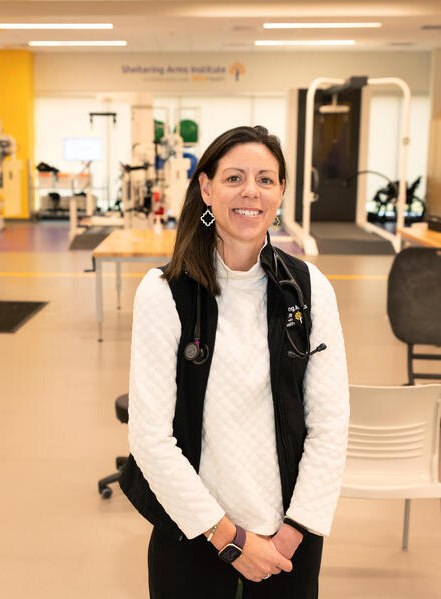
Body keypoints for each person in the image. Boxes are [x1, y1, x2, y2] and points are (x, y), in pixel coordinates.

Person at [120, 125, 349, 599]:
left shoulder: (309, 289)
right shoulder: (166, 293)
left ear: (282, 192)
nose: (251, 191)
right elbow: (150, 438)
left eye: (266, 179)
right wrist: (228, 539)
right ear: (206, 188)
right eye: (234, 178)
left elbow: (330, 424)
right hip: (194, 531)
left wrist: (291, 533)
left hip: (290, 541)